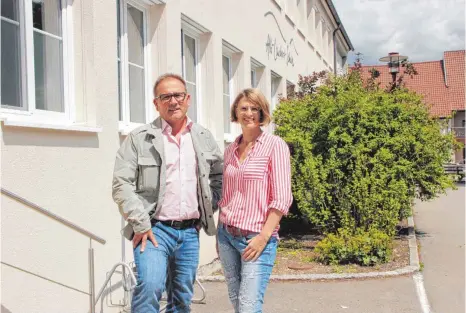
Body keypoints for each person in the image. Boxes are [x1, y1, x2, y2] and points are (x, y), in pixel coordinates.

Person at [112, 73, 223, 313]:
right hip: (153, 230)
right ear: (156, 103)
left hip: (190, 231)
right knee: (150, 286)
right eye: (166, 96)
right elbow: (122, 184)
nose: (173, 101)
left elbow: (218, 176)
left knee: (182, 298)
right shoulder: (140, 139)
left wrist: (207, 206)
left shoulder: (203, 138)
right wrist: (141, 223)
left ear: (187, 99)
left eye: (178, 95)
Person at [217, 88, 293, 313]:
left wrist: (263, 237)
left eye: (254, 108)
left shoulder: (274, 145)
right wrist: (220, 231)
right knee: (237, 302)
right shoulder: (230, 149)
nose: (248, 113)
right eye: (243, 108)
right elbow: (226, 195)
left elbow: (282, 198)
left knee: (249, 307)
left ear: (262, 113)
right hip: (227, 236)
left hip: (256, 238)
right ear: (235, 112)